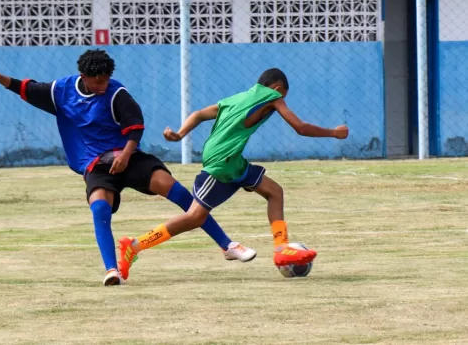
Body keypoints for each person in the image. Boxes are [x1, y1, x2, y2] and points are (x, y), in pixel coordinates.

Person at [0, 49, 256, 287]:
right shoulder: (62, 91)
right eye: (98, 80)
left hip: (127, 156)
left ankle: (227, 245)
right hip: (97, 164)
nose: (103, 85)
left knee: (174, 190)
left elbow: (136, 126)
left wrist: (126, 154)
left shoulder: (116, 93)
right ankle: (111, 270)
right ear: (84, 77)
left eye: (106, 79)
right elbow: (24, 87)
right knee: (100, 208)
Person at [117, 68, 349, 280]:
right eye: (283, 96)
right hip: (222, 162)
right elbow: (300, 127)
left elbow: (198, 114)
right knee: (194, 217)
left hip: (233, 161)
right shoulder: (273, 97)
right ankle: (135, 245)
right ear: (277, 89)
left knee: (274, 191)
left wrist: (180, 134)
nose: (282, 101)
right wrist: (334, 133)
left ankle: (281, 248)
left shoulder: (236, 98)